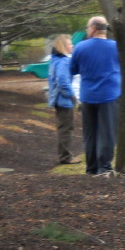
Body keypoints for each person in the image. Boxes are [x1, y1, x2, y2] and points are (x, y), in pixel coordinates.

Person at [69, 15, 121, 176]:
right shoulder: (116, 47)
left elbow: (73, 69)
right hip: (109, 95)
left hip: (88, 95)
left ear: (93, 29)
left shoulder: (80, 47)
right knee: (107, 133)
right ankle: (104, 167)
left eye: (87, 28)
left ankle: (91, 167)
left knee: (90, 133)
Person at [46, 33, 77, 165]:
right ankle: (65, 157)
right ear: (63, 46)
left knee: (63, 128)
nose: (72, 46)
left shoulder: (55, 60)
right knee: (66, 129)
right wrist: (72, 96)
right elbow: (63, 81)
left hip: (58, 99)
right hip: (64, 100)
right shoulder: (64, 62)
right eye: (69, 44)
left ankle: (65, 155)